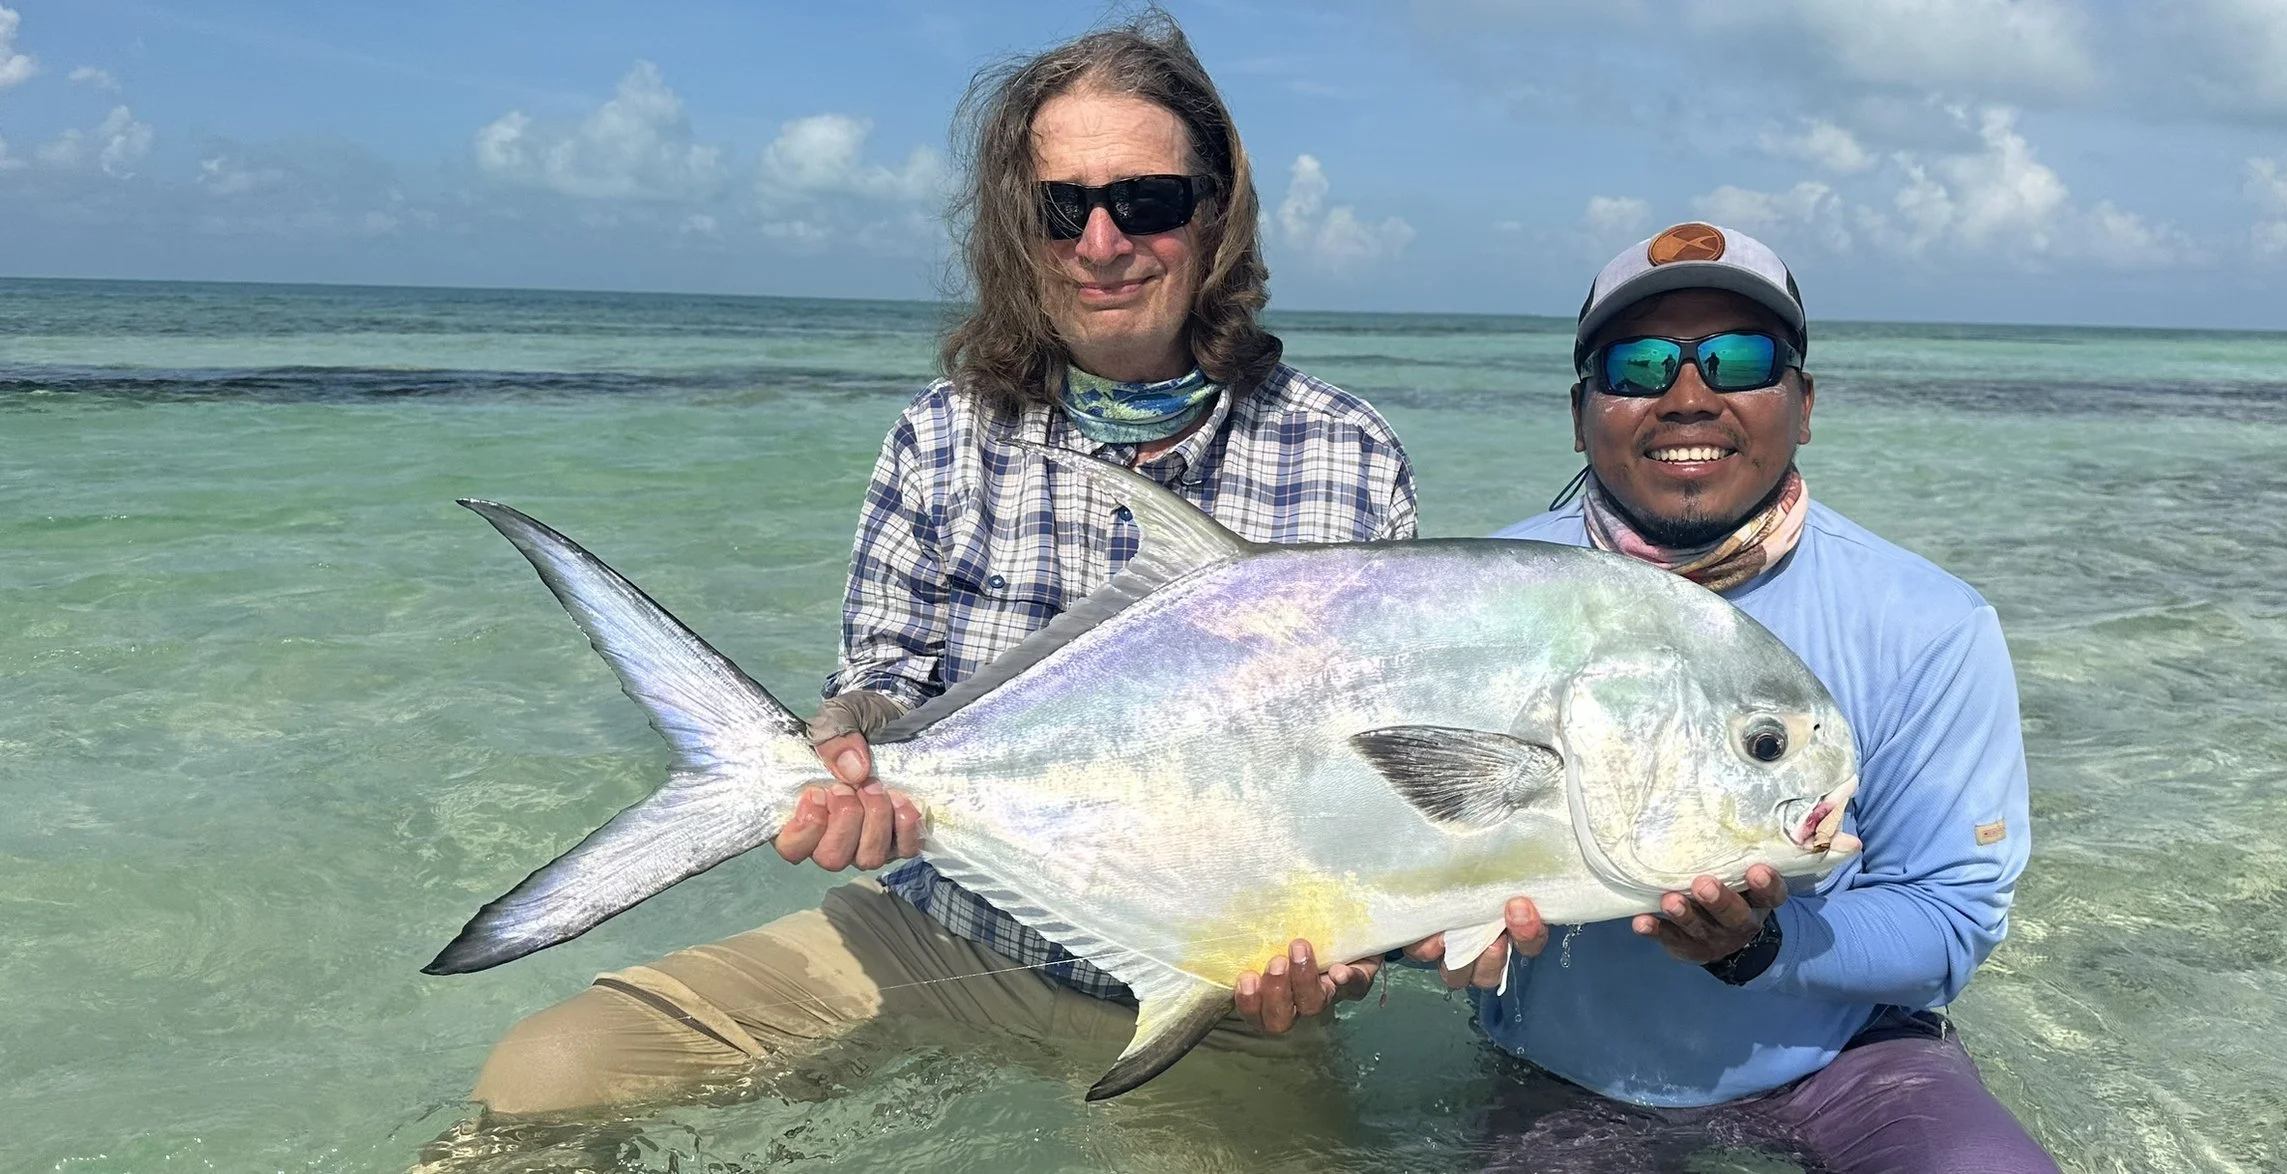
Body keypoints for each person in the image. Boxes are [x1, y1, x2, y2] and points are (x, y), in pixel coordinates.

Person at [465, 13, 1416, 1117]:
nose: (1101, 243)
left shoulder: (1348, 454)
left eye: (1145, 201)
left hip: (1220, 993)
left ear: (1215, 216)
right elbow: (885, 677)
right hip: (940, 936)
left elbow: (1381, 769)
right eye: (1062, 208)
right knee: (542, 1084)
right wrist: (846, 750)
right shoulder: (941, 434)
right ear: (1022, 232)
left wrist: (1368, 937)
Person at [1411, 220, 2057, 1173]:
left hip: (1847, 1060)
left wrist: (1764, 947)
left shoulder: (1928, 624)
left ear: (1803, 404)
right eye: (1638, 366)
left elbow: (1952, 913)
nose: (1687, 397)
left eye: (1739, 360)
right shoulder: (1466, 601)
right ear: (1581, 411)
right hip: (1565, 1074)